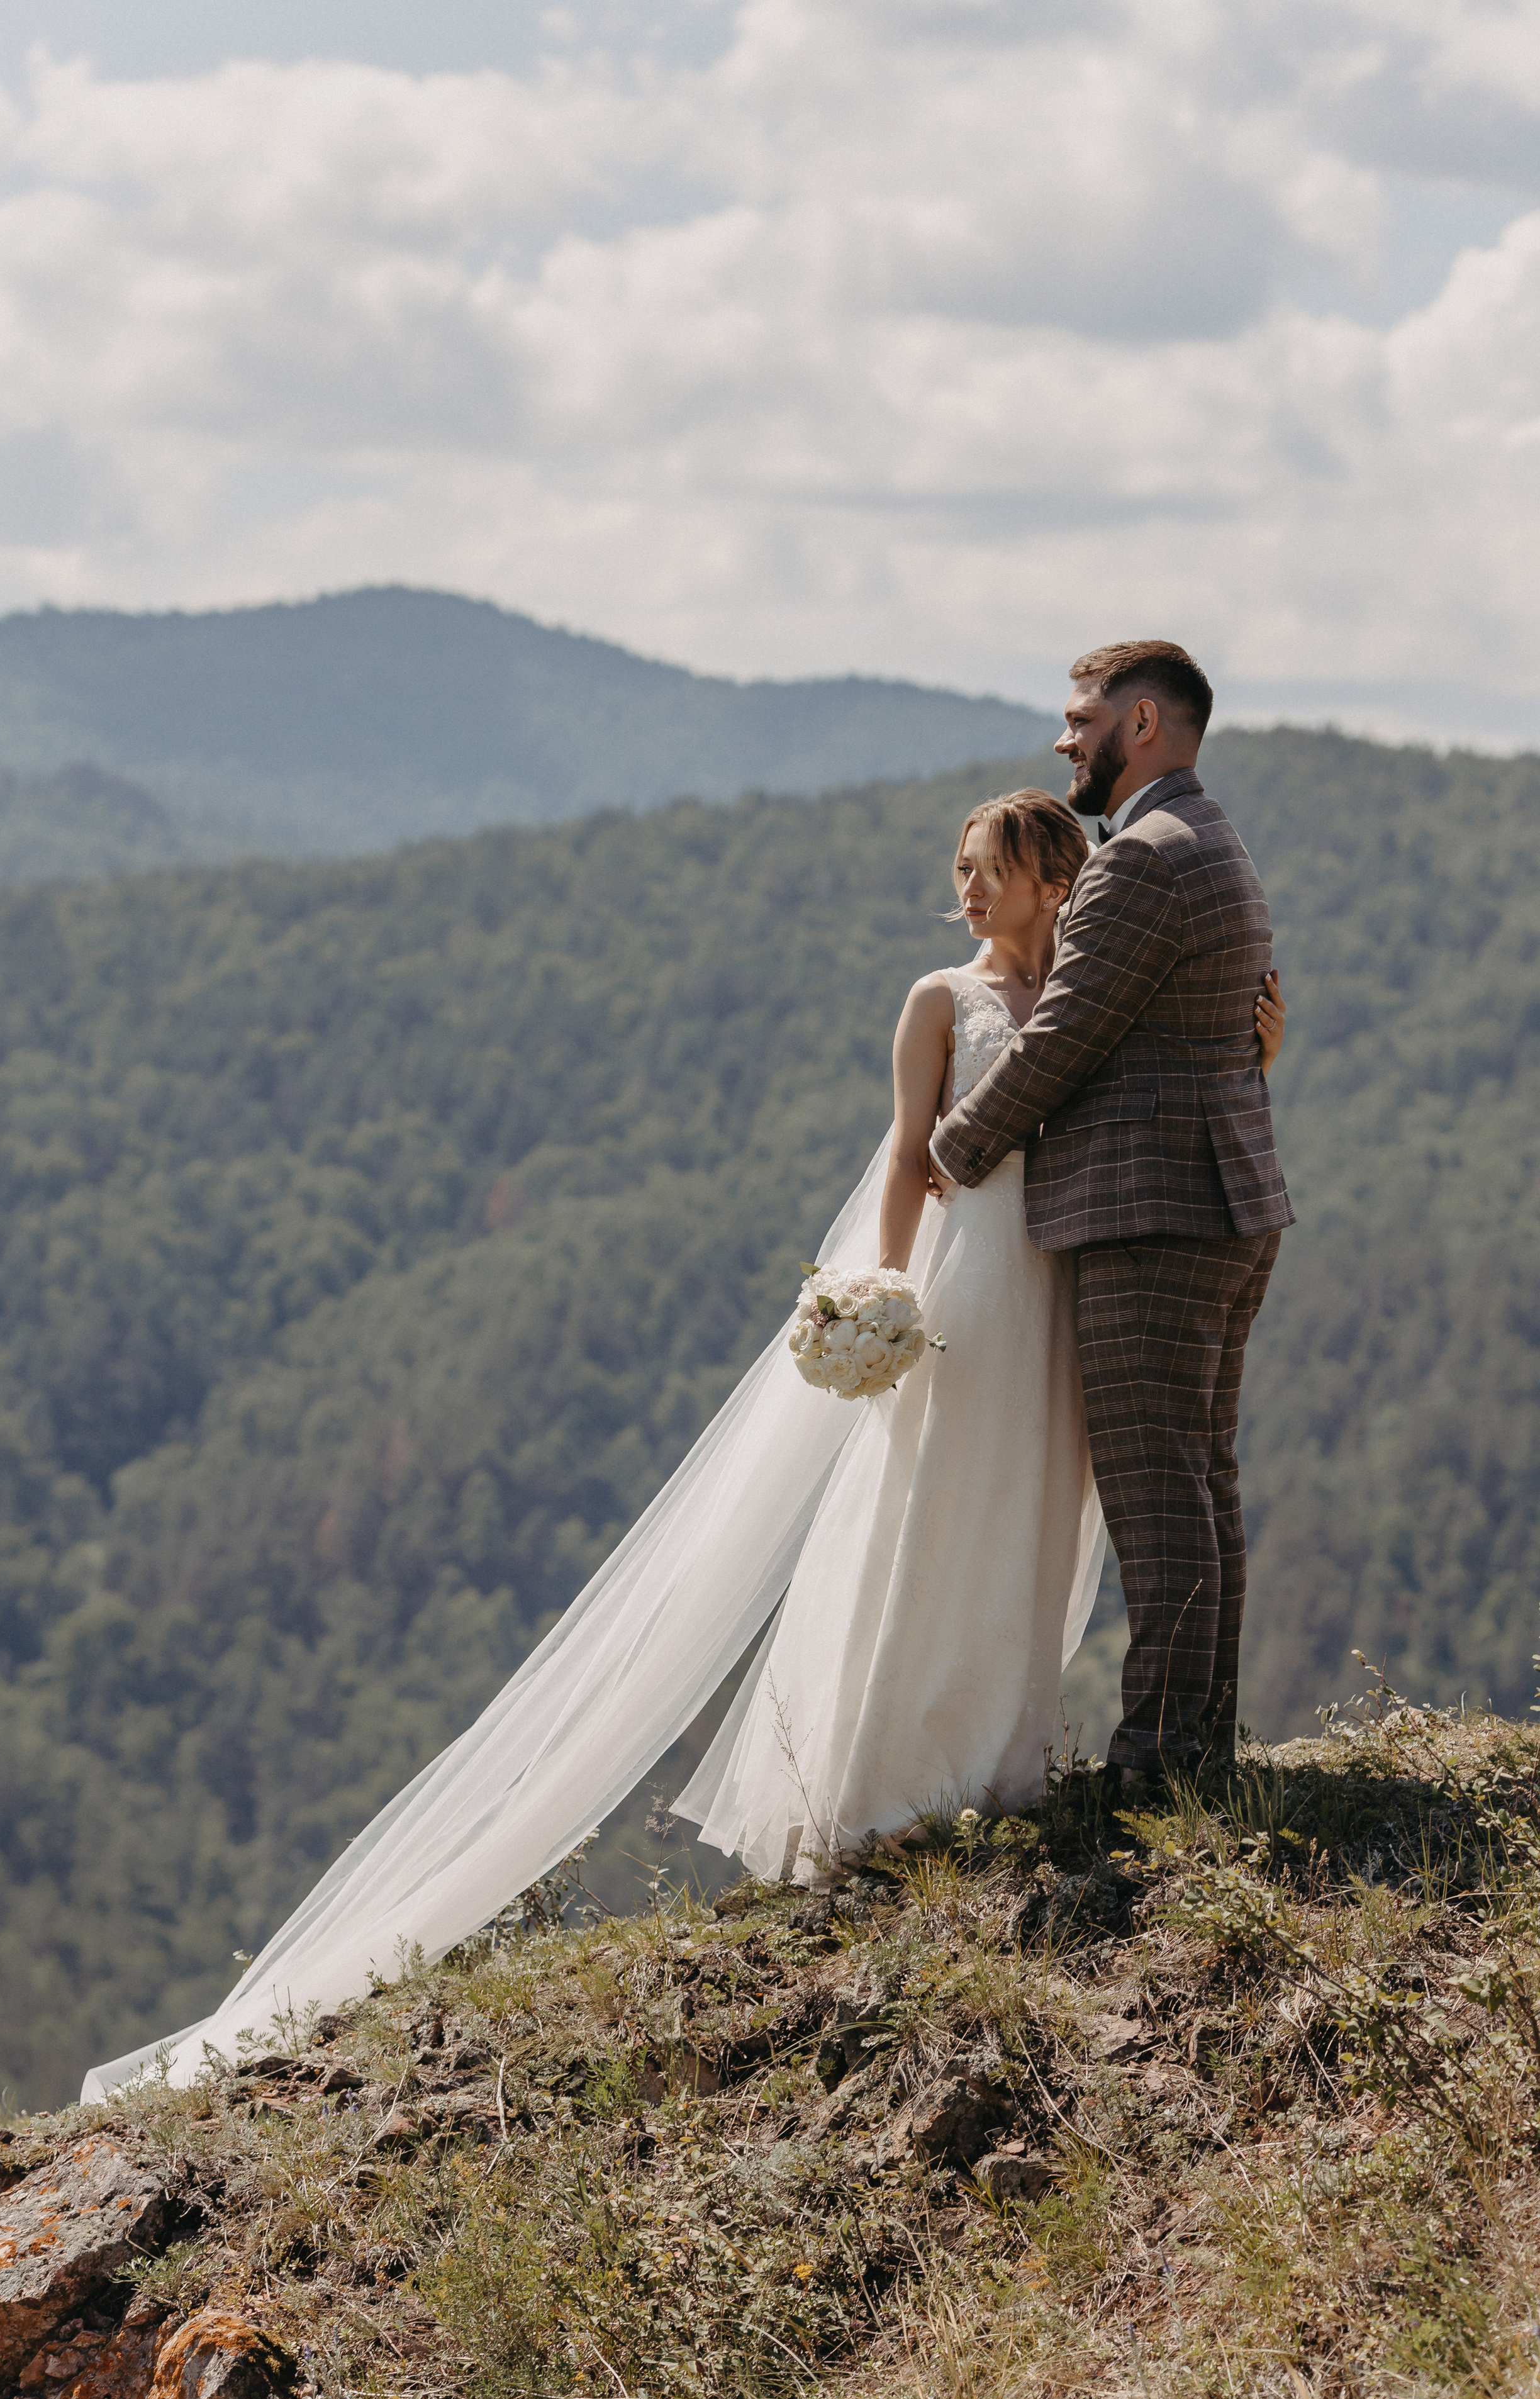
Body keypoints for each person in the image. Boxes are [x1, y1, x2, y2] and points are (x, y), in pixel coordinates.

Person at [82, 749, 1286, 2100]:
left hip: (1055, 1282)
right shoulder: (935, 1001)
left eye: (986, 874)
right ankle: (886, 1787)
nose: (962, 895)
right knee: (925, 1509)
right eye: (958, 874)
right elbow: (907, 1151)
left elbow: (1158, 1049)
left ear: (1048, 880)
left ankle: (998, 1766)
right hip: (961, 1285)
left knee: (1027, 1516)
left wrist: (1248, 1029)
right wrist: (878, 1290)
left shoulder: (1080, 993)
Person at [929, 639, 1293, 1789]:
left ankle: (1160, 1759)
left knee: (1156, 1495)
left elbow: (1069, 1030)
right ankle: (1198, 1746)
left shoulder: (1138, 861)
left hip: (1154, 1215)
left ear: (1142, 723)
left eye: (1080, 715)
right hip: (1224, 1201)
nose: (1063, 737)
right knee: (1199, 1485)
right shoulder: (1214, 839)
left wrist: (958, 1142)